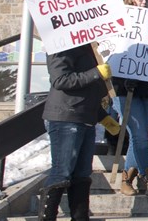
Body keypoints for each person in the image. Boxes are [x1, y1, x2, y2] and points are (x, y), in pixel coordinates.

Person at [39, 44, 112, 220]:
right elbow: (60, 80)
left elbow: (89, 89)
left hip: (85, 117)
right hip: (66, 116)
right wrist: (95, 73)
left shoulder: (89, 48)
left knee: (82, 174)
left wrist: (102, 116)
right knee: (62, 171)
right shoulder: (60, 44)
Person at [112, 0, 148, 196]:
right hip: (125, 89)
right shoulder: (119, 22)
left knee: (139, 135)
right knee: (140, 135)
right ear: (131, 0)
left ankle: (127, 177)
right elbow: (112, 52)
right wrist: (125, 78)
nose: (143, 2)